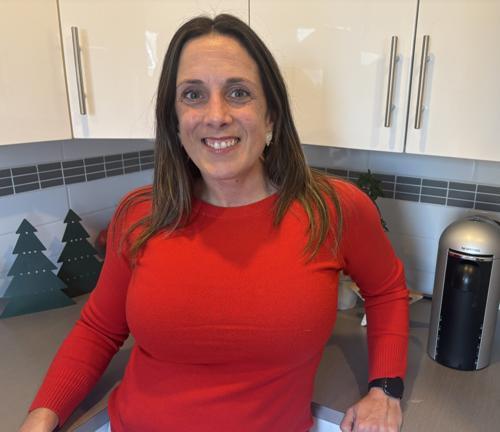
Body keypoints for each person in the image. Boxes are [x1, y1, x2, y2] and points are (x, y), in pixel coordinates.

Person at [20, 14, 408, 432]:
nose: (216, 115)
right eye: (193, 95)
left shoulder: (332, 209)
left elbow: (386, 289)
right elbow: (98, 329)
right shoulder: (140, 216)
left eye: (238, 93)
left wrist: (385, 388)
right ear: (174, 119)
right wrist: (41, 416)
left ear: (271, 115)